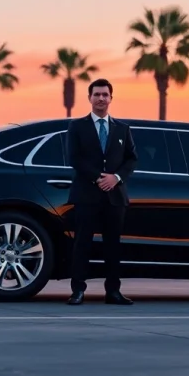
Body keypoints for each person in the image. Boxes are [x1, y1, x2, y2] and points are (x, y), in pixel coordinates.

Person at [65, 78, 138, 305]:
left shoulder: (122, 129)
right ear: (89, 98)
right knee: (82, 244)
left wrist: (116, 178)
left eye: (105, 95)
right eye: (96, 94)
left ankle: (113, 292)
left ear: (111, 98)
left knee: (113, 246)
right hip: (86, 195)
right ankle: (78, 291)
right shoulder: (77, 126)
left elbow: (131, 159)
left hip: (115, 197)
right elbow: (74, 158)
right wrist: (98, 177)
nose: (101, 98)